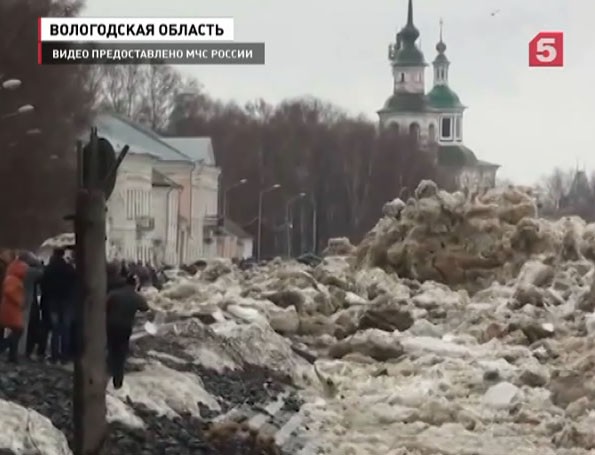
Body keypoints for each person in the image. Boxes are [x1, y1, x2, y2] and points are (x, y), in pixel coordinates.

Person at [106, 273, 149, 389]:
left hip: (110, 325)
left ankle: (109, 369)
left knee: (111, 348)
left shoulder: (114, 294)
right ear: (135, 284)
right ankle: (117, 380)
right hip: (125, 327)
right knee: (121, 351)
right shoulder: (136, 296)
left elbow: (105, 305)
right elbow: (145, 307)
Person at [40, 248, 76, 364]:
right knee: (66, 329)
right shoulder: (68, 268)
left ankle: (54, 356)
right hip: (66, 301)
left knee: (55, 329)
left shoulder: (49, 268)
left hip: (53, 301)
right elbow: (74, 281)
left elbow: (43, 284)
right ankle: (64, 356)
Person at [0, 256, 29, 363]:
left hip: (10, 308)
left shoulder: (12, 278)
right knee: (18, 331)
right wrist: (20, 301)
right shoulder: (13, 279)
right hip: (11, 309)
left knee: (16, 332)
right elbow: (9, 292)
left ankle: (12, 356)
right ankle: (4, 348)